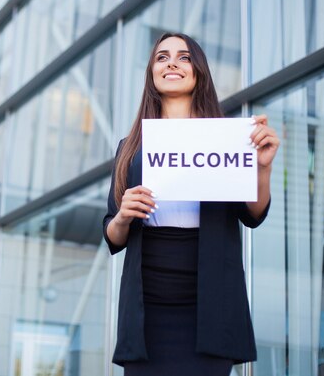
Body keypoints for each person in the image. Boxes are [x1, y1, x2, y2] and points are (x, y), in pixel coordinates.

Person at [102, 32, 280, 375]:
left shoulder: (229, 139)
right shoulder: (129, 147)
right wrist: (124, 215)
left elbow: (252, 215)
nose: (172, 63)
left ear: (198, 71)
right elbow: (112, 235)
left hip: (210, 308)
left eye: (184, 57)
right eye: (162, 57)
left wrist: (263, 169)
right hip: (147, 312)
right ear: (152, 73)